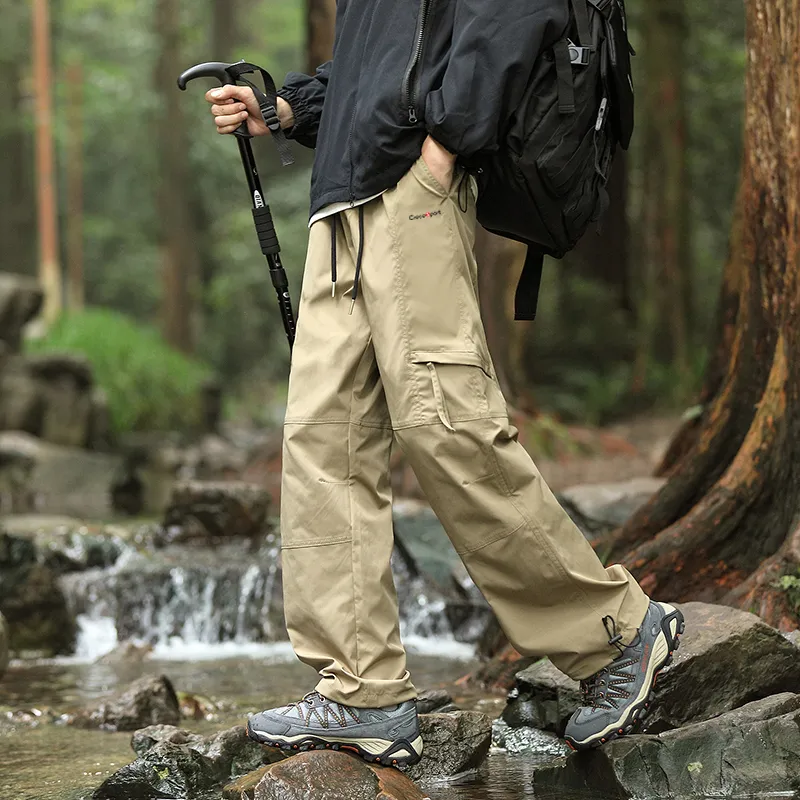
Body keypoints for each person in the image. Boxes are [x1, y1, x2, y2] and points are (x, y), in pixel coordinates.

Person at [204, 0, 684, 763]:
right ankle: (360, 691)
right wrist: (291, 108)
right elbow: (381, 54)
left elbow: (513, 13)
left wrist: (447, 142)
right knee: (323, 443)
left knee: (445, 423)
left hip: (411, 188)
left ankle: (617, 634)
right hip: (340, 202)